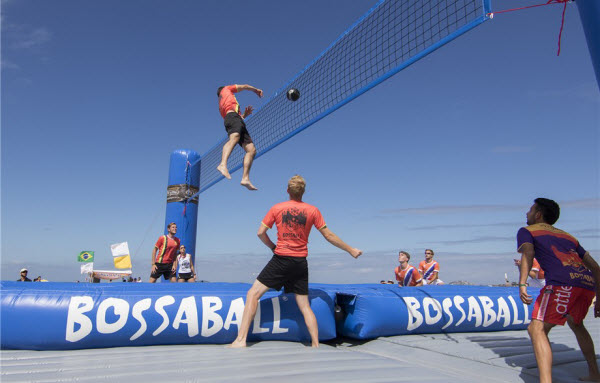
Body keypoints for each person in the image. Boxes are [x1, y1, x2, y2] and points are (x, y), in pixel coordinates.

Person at [229, 175, 362, 348]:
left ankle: (240, 340)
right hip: (300, 262)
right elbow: (328, 235)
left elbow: (260, 232)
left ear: (287, 191)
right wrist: (351, 249)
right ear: (303, 192)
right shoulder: (313, 210)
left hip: (281, 259)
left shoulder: (277, 208)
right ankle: (315, 344)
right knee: (305, 306)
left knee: (252, 294)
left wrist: (272, 247)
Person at [517, 198, 600, 383]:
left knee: (536, 328)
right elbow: (596, 268)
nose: (527, 213)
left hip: (562, 284)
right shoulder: (569, 237)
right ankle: (595, 374)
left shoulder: (527, 231)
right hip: (586, 284)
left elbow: (528, 253)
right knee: (576, 324)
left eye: (530, 210)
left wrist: (522, 283)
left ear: (538, 215)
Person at [216, 84, 263, 191]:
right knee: (235, 137)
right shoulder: (226, 89)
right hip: (233, 118)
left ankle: (245, 178)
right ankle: (223, 164)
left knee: (251, 150)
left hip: (236, 119)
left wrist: (244, 115)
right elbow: (244, 86)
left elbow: (235, 119)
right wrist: (256, 89)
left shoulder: (223, 105)